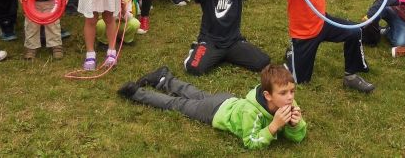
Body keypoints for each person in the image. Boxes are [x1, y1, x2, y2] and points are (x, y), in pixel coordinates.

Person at [118, 64, 306, 150]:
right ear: (267, 95)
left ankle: (164, 77)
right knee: (179, 104)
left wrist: (294, 125)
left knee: (195, 93)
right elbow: (250, 142)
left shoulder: (288, 103)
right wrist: (273, 127)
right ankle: (136, 92)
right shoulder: (252, 112)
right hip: (216, 112)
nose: (290, 97)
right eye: (283, 93)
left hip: (228, 101)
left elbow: (297, 138)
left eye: (292, 91)